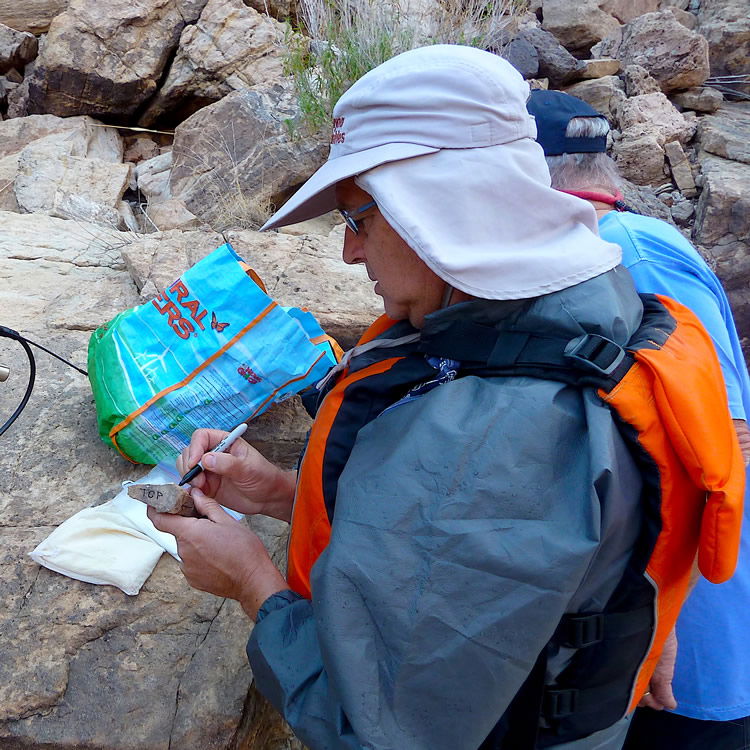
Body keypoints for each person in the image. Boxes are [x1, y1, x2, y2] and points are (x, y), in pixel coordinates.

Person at [147, 46, 734, 750]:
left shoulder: (499, 432)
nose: (348, 254)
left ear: (437, 206)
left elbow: (377, 730)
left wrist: (252, 583)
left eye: (358, 218)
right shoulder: (587, 312)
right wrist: (280, 493)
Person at [527, 88, 750, 750]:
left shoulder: (627, 254)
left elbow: (726, 439)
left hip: (690, 651)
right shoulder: (623, 242)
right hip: (657, 633)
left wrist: (657, 614)